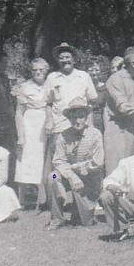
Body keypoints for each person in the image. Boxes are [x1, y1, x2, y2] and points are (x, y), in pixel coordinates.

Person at [43, 42, 98, 195]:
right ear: (57, 60)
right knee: (56, 165)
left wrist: (91, 126)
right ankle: (56, 194)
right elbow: (47, 103)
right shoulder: (52, 77)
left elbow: (92, 102)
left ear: (74, 59)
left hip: (81, 125)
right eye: (61, 58)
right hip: (60, 125)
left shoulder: (84, 76)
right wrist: (49, 120)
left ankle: (84, 194)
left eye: (68, 57)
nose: (65, 60)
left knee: (82, 159)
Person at [46, 98, 105, 230]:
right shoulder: (63, 135)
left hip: (89, 180)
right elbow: (58, 161)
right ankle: (56, 219)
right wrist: (71, 176)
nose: (77, 121)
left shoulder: (95, 134)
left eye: (80, 117)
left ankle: (83, 211)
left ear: (86, 118)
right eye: (73, 117)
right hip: (69, 177)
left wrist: (75, 168)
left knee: (85, 222)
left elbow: (98, 163)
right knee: (52, 177)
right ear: (68, 118)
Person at [12, 57, 50, 209]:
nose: (38, 73)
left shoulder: (51, 84)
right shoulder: (24, 87)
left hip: (46, 126)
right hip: (30, 126)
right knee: (25, 161)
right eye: (35, 70)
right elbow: (18, 113)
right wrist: (21, 135)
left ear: (46, 70)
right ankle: (21, 199)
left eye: (41, 70)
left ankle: (46, 198)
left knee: (45, 162)